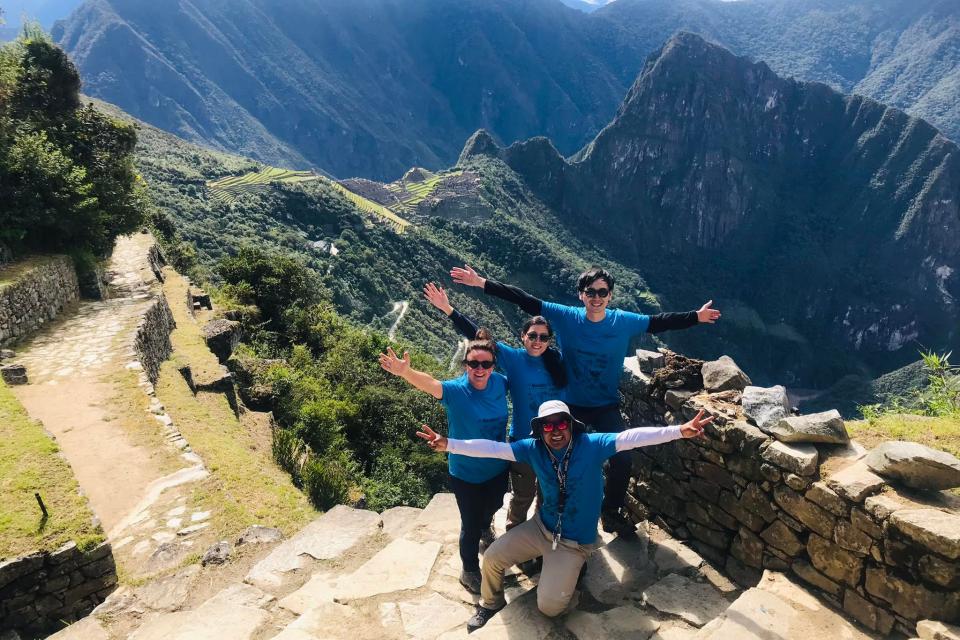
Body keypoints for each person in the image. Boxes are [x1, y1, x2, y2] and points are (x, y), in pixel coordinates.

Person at [451, 265, 720, 535]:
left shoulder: (622, 321)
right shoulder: (567, 317)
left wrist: (695, 316)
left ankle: (609, 513)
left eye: (602, 291)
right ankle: (545, 526)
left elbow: (658, 321)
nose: (596, 297)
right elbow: (524, 299)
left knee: (622, 459)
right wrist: (481, 282)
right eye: (590, 291)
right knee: (562, 465)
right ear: (581, 295)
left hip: (604, 404)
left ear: (610, 295)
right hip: (570, 405)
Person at [417, 400, 714, 631]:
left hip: (574, 541)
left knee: (549, 608)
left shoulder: (592, 445)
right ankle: (491, 603)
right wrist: (449, 444)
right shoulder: (532, 449)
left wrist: (678, 431)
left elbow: (631, 437)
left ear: (571, 425)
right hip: (541, 528)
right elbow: (493, 449)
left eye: (561, 424)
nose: (555, 431)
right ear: (539, 430)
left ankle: (570, 578)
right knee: (493, 557)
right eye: (547, 426)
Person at [424, 282, 566, 532]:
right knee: (522, 495)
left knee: (547, 494)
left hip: (555, 442)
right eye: (532, 335)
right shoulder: (513, 358)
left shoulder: (558, 364)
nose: (537, 341)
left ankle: (542, 534)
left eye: (543, 337)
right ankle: (514, 535)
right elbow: (480, 338)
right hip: (523, 441)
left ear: (549, 340)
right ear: (523, 337)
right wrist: (449, 310)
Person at [379, 333, 509, 594]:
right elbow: (431, 383)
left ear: (493, 366)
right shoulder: (455, 391)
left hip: (497, 466)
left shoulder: (501, 384)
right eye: (473, 364)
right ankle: (469, 569)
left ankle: (486, 525)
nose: (479, 369)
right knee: (469, 524)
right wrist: (407, 373)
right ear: (465, 365)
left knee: (494, 504)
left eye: (485, 364)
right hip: (466, 472)